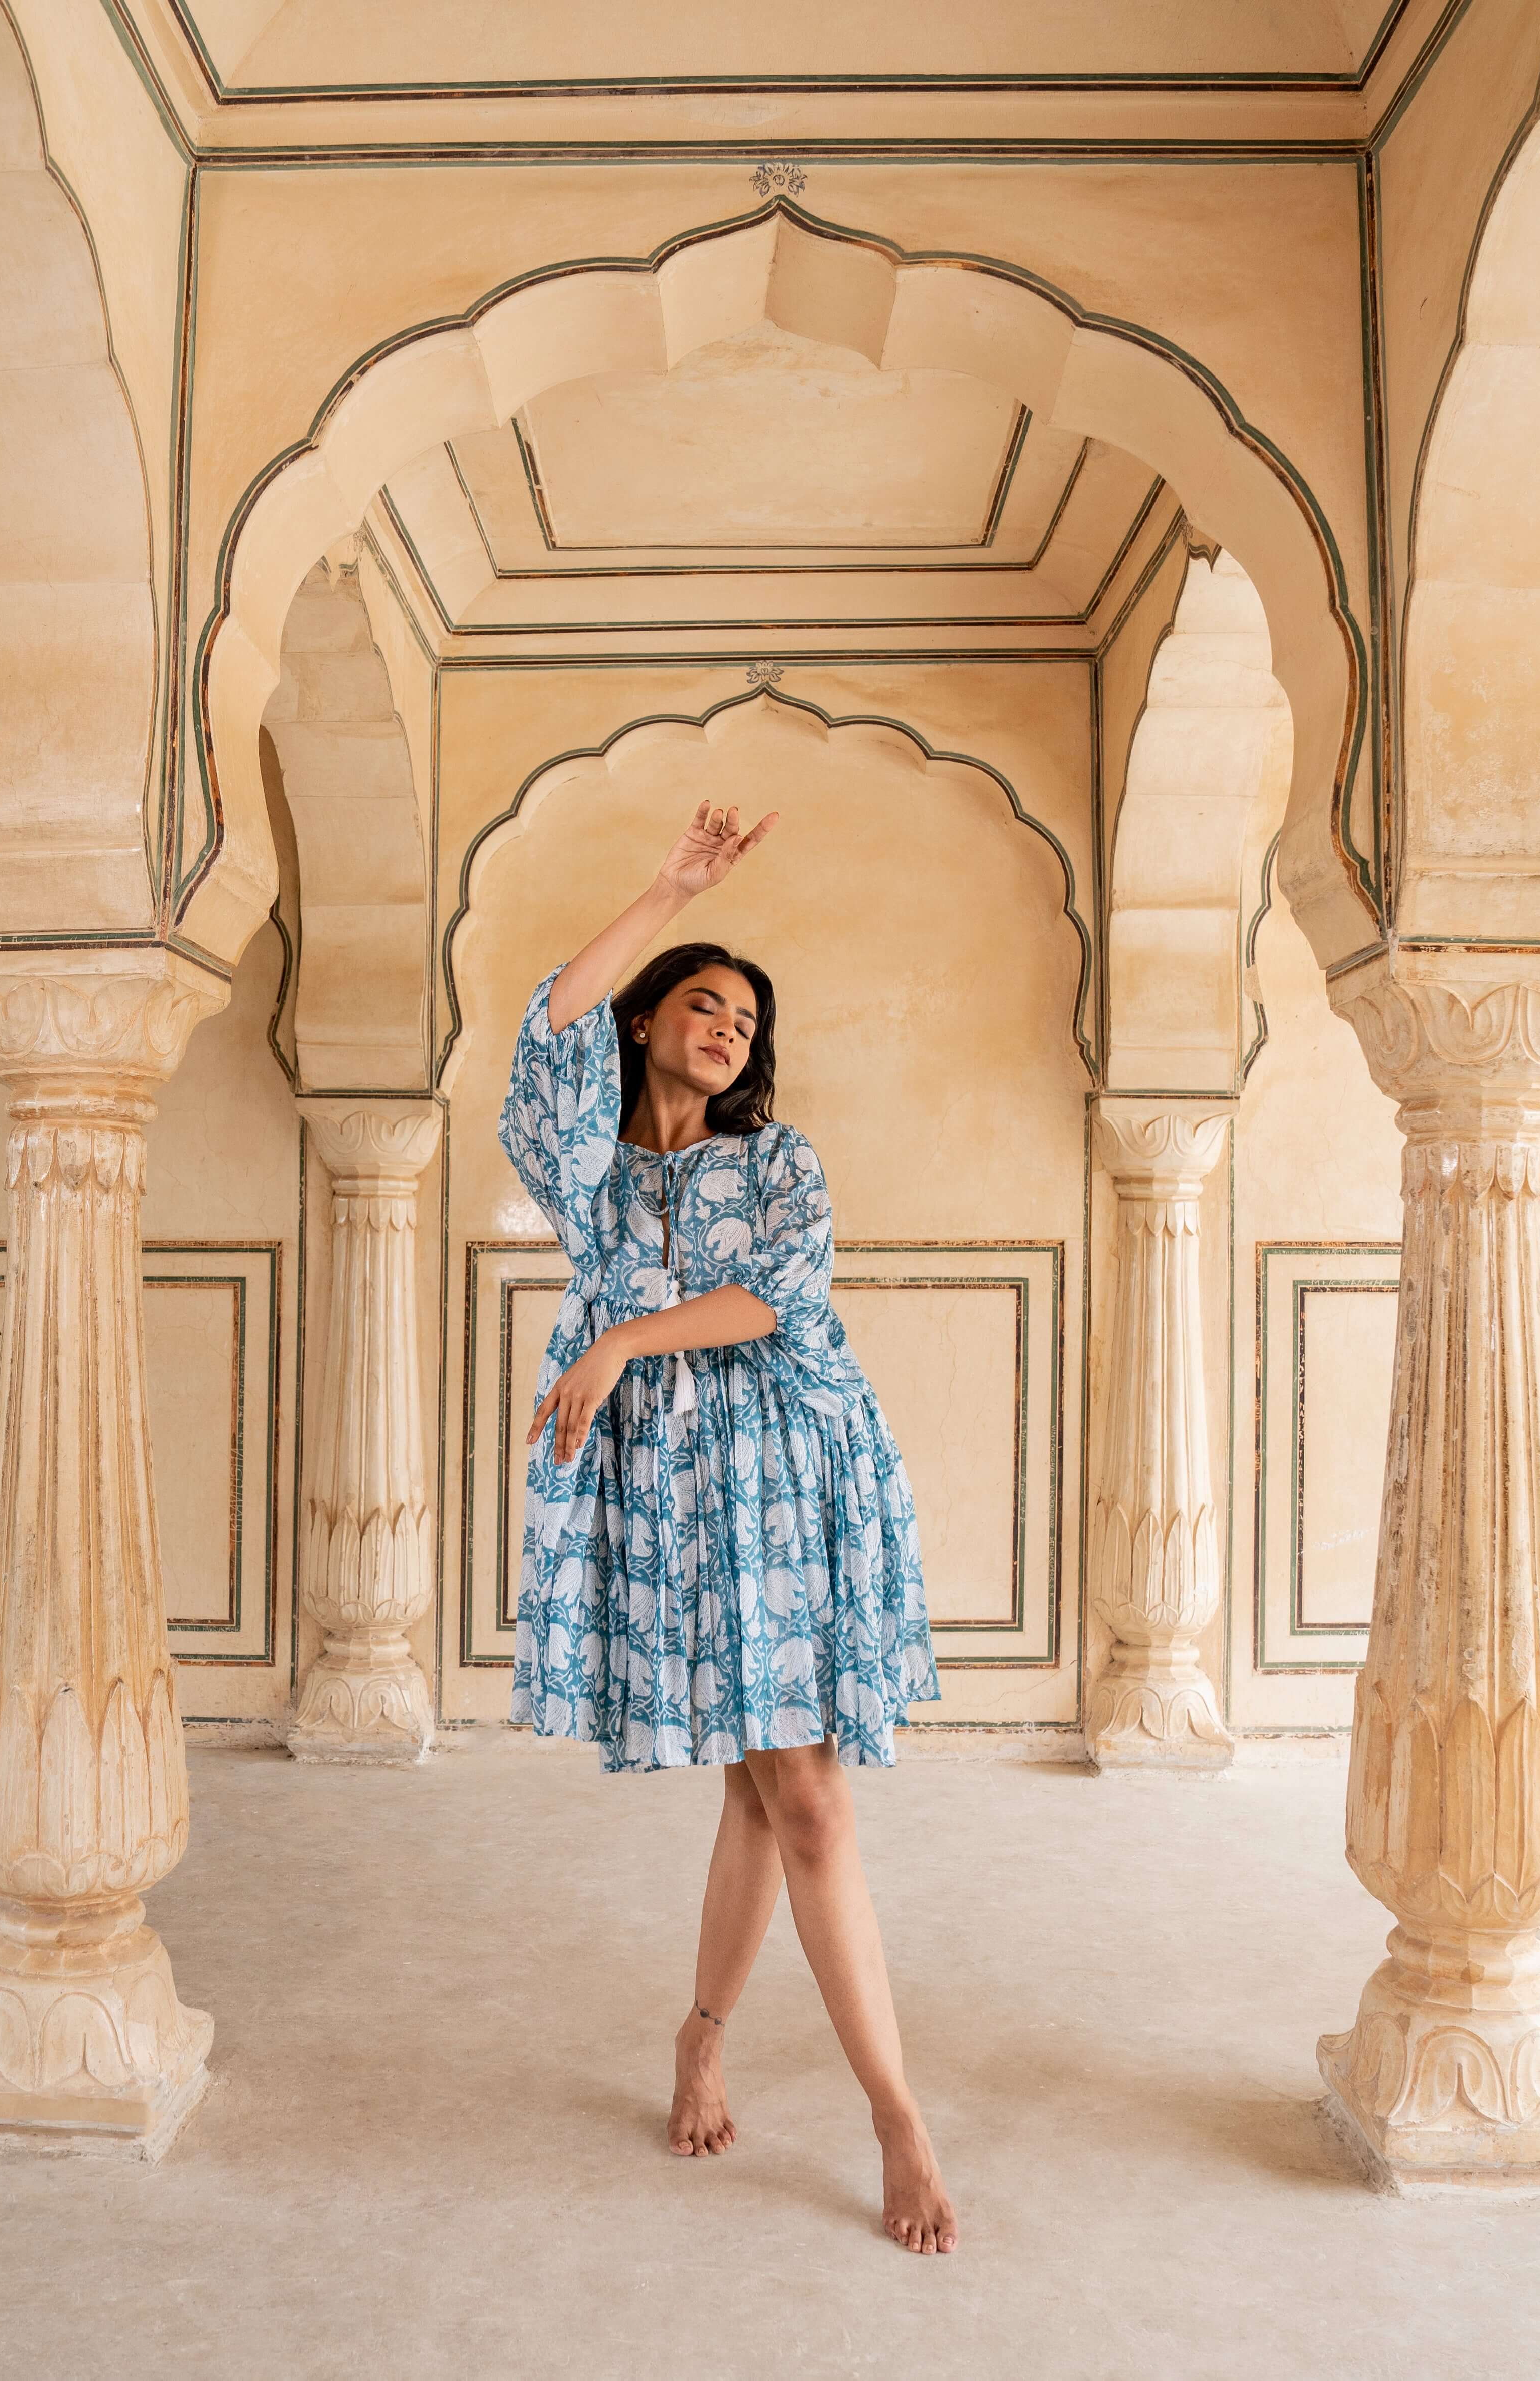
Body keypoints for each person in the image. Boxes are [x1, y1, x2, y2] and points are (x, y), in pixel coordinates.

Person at [497, 799, 959, 2256]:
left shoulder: (781, 1164)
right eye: (702, 1004)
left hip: (794, 1471)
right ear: (644, 1025)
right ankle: (702, 2038)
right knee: (762, 1793)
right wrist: (664, 889)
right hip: (666, 1490)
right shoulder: (585, 1167)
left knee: (804, 1797)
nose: (729, 1029)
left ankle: (895, 2115)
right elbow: (542, 1025)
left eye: (748, 1020)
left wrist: (618, 1344)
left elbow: (773, 1301)